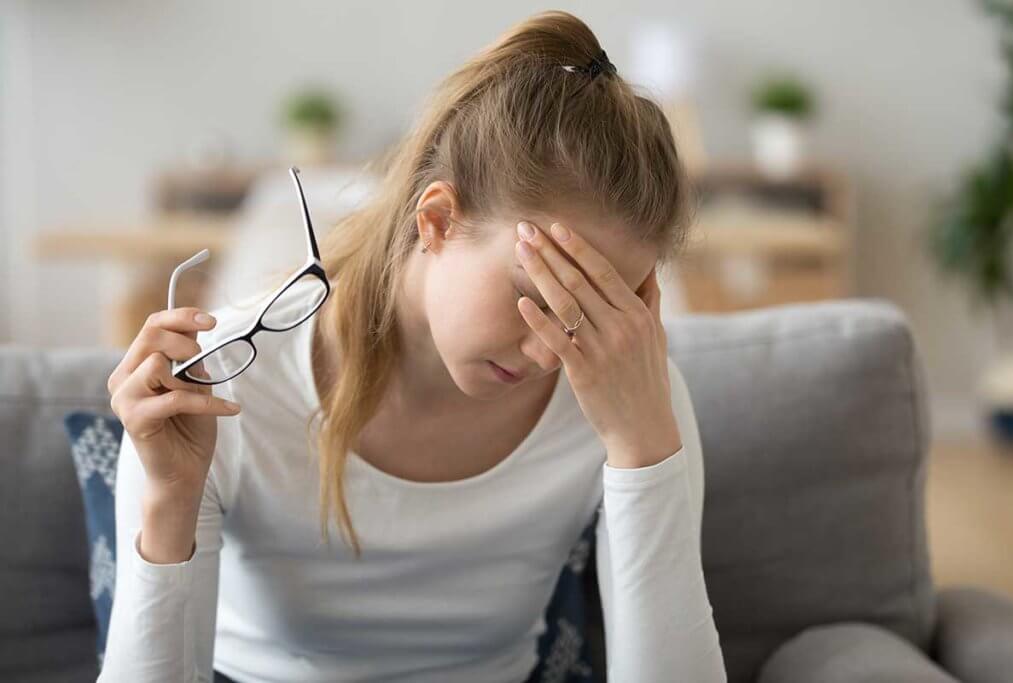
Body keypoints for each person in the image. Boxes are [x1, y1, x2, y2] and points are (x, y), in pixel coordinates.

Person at [100, 10, 727, 682]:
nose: (550, 352)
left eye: (603, 308)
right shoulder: (223, 381)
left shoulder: (627, 396)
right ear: (436, 221)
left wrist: (644, 454)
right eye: (539, 293)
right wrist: (168, 501)